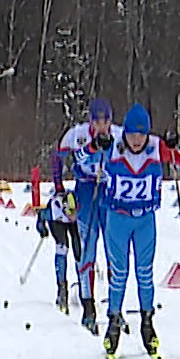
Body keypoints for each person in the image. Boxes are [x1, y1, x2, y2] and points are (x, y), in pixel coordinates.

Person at [99, 103, 180, 359]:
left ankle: (147, 323)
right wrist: (96, 145)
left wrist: (179, 144)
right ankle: (113, 323)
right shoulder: (113, 146)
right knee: (119, 274)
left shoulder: (156, 147)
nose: (136, 140)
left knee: (145, 273)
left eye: (141, 135)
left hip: (145, 221)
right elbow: (85, 158)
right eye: (132, 134)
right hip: (118, 219)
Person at [54, 98, 116, 334]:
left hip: (109, 193)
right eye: (97, 121)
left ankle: (115, 308)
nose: (102, 126)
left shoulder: (119, 134)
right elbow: (57, 157)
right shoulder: (77, 134)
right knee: (86, 250)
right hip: (85, 192)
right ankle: (88, 306)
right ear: (90, 121)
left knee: (114, 253)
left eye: (105, 121)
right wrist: (59, 188)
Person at [34, 184, 80, 314]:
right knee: (62, 247)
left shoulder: (77, 206)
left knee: (79, 251)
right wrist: (42, 229)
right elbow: (41, 216)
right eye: (70, 214)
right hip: (57, 221)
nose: (72, 217)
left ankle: (83, 287)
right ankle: (62, 291)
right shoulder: (55, 209)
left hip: (73, 214)